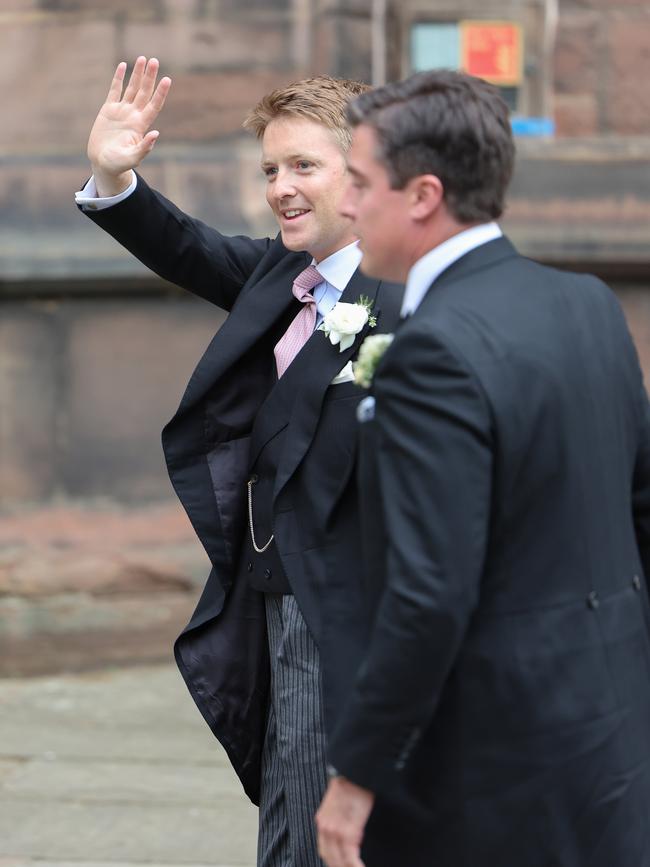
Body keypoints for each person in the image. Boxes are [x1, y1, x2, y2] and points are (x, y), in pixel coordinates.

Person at [315, 70, 650, 867]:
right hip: (609, 733)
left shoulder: (434, 348)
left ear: (423, 194)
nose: (347, 205)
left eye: (359, 182)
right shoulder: (588, 302)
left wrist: (359, 769)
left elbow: (429, 592)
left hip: (491, 767)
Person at [76, 57, 402, 867]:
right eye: (270, 170)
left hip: (353, 608)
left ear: (364, 173)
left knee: (336, 819)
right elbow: (186, 246)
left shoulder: (408, 296)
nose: (281, 187)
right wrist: (112, 177)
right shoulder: (280, 272)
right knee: (288, 799)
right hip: (269, 596)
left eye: (303, 166)